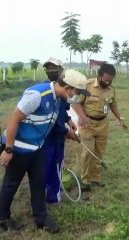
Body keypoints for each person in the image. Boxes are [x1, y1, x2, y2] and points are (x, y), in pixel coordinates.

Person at [0, 69, 90, 233]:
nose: (78, 96)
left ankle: (41, 218)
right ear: (68, 88)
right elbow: (14, 120)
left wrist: (69, 134)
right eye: (78, 92)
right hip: (19, 148)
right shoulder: (38, 95)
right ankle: (2, 218)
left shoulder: (59, 99)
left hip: (38, 148)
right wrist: (8, 149)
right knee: (12, 183)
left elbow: (51, 123)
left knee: (39, 183)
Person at [73, 63, 128, 192]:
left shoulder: (111, 89)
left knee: (99, 153)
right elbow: (77, 103)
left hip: (103, 124)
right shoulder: (87, 85)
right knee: (88, 153)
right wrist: (82, 117)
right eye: (106, 80)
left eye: (111, 80)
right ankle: (86, 181)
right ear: (99, 76)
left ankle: (95, 178)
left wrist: (120, 119)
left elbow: (113, 105)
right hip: (87, 124)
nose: (108, 82)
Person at [42, 58, 80, 204]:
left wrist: (69, 120)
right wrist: (66, 132)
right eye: (48, 68)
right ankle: (44, 194)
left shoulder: (63, 88)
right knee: (46, 164)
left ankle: (54, 194)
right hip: (47, 136)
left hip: (59, 136)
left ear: (61, 70)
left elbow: (63, 109)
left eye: (54, 68)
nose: (51, 70)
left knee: (58, 163)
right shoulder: (45, 89)